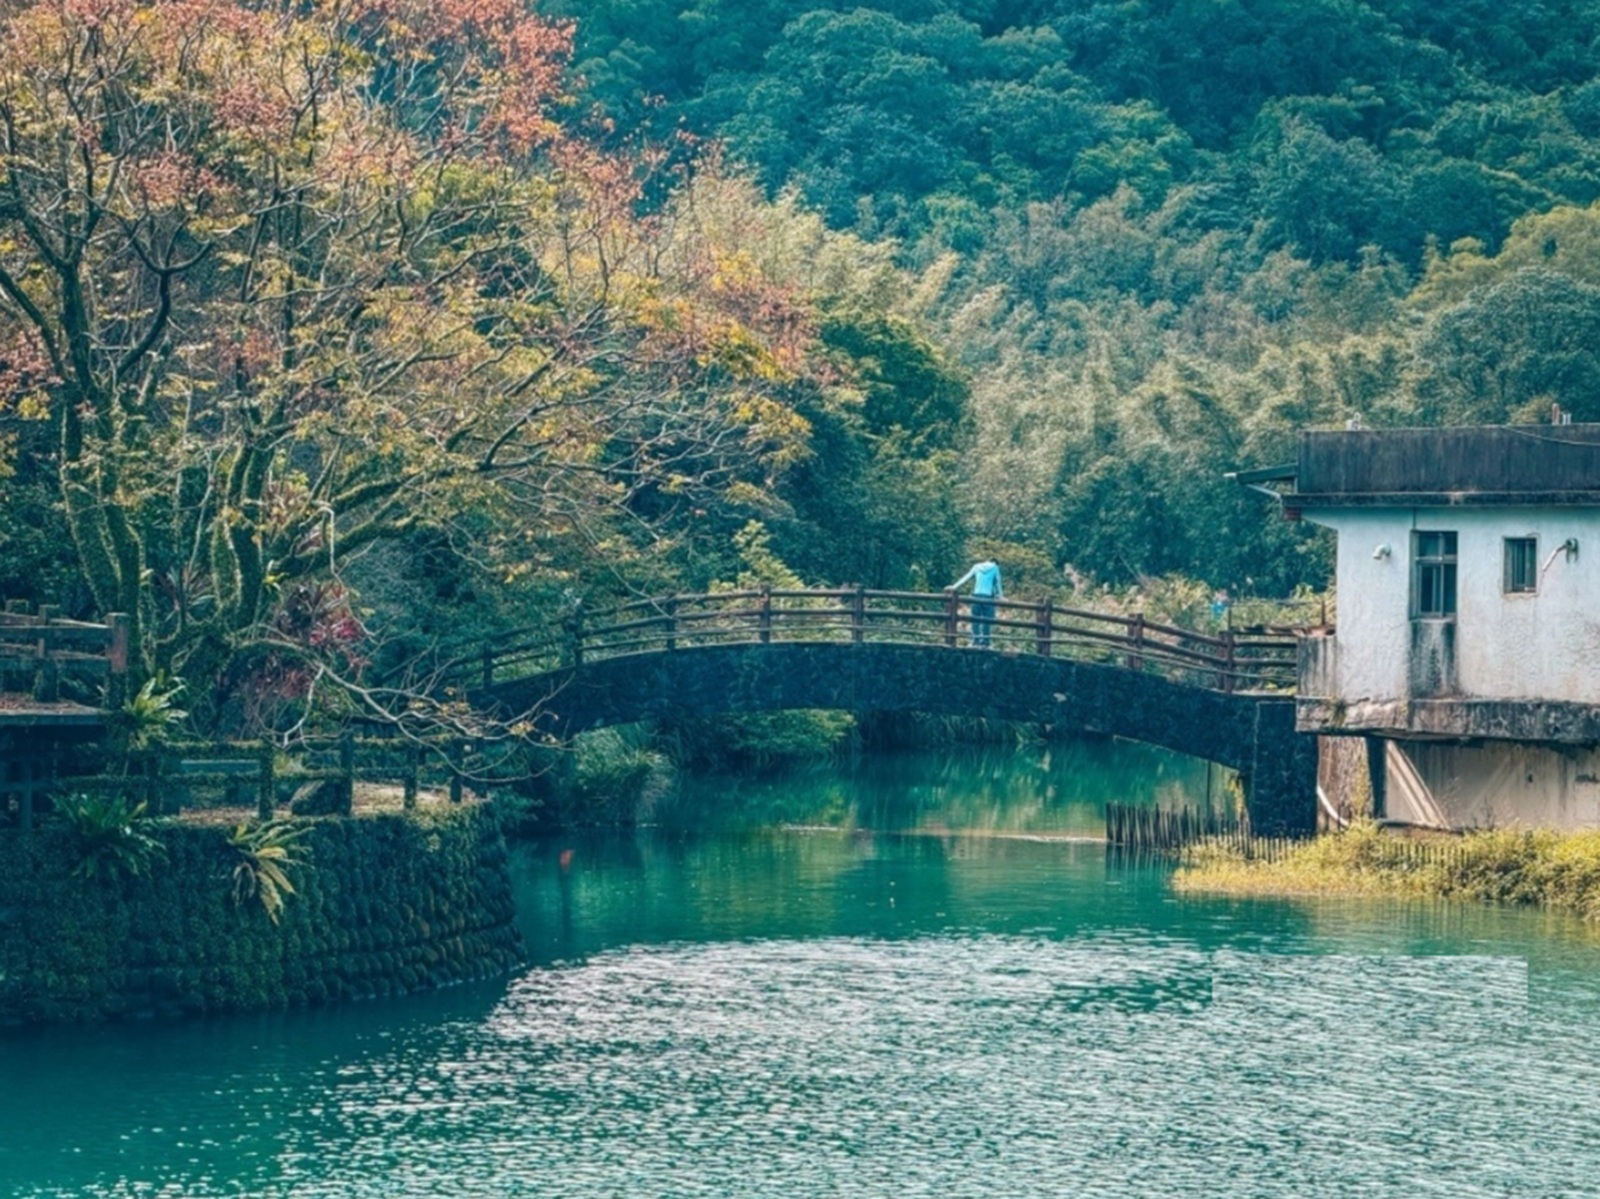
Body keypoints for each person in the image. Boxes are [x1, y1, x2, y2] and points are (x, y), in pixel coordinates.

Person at [948, 558, 1003, 647]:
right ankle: (986, 642)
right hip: (988, 597)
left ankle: (975, 641)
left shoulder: (977, 566)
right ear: (996, 563)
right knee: (987, 620)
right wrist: (1000, 596)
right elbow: (997, 583)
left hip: (976, 596)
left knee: (975, 620)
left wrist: (954, 587)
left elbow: (966, 578)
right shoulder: (995, 568)